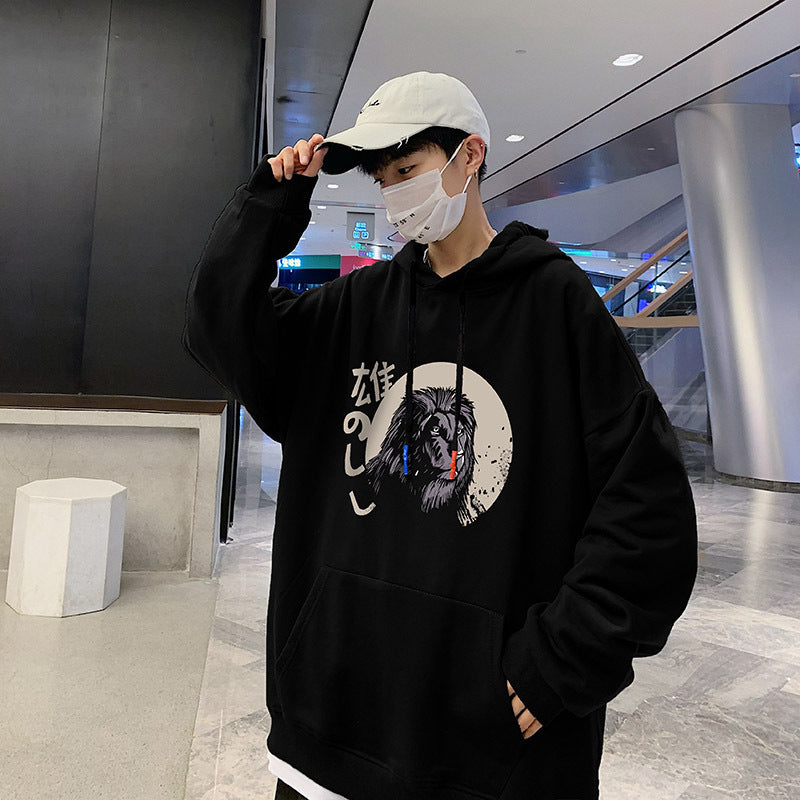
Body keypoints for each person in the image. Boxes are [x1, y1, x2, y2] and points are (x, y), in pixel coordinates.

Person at [182, 71, 698, 800]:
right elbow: (218, 326)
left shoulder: (555, 306)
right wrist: (269, 206)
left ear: (470, 156)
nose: (394, 194)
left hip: (489, 754)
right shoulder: (354, 308)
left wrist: (560, 663)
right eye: (383, 178)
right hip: (332, 730)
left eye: (408, 169)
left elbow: (648, 511)